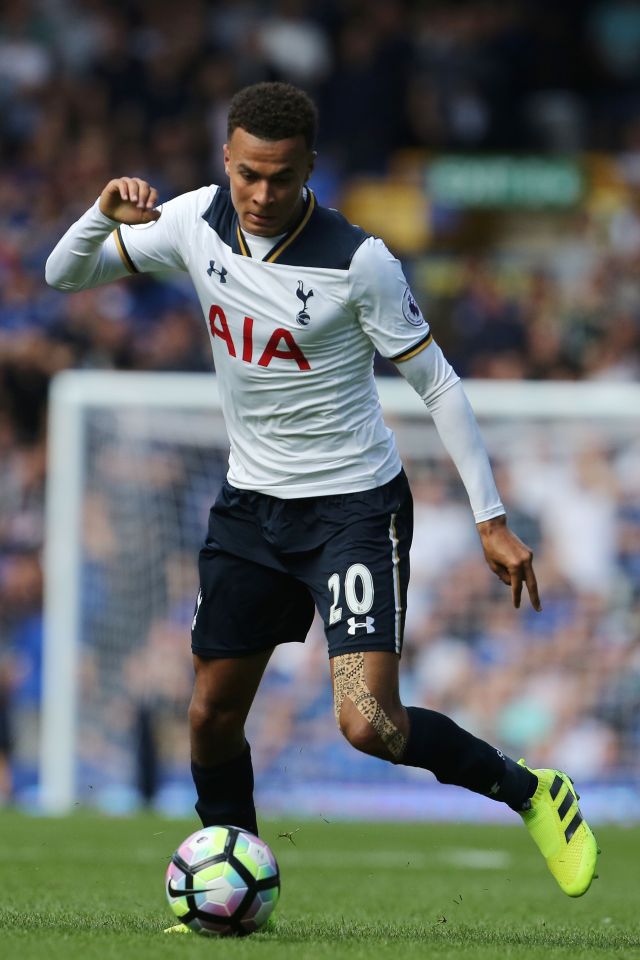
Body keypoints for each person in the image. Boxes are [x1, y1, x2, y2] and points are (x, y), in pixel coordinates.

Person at [46, 82, 599, 907]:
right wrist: (100, 211)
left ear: (310, 168)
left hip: (352, 509)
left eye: (282, 178)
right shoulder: (196, 221)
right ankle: (238, 890)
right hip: (250, 507)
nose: (262, 196)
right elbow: (64, 274)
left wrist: (491, 519)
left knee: (366, 724)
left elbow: (439, 384)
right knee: (208, 716)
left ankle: (531, 792)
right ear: (225, 162)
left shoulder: (358, 260)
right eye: (248, 176)